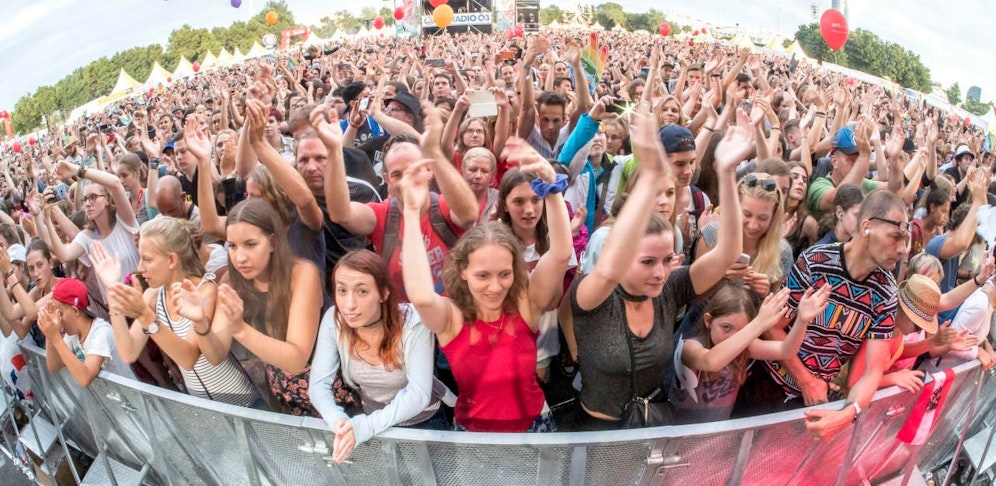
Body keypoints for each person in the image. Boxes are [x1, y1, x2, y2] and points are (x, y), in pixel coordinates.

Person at [570, 111, 752, 429]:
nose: (660, 273)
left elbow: (727, 254)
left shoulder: (670, 288)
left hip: (650, 422)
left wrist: (727, 171)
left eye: (667, 260)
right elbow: (608, 271)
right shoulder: (594, 295)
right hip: (598, 430)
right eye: (647, 262)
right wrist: (650, 178)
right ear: (623, 255)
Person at [401, 139, 573, 432]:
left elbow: (560, 253)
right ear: (463, 271)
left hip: (535, 430)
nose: (495, 287)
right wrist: (410, 211)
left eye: (504, 274)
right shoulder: (451, 317)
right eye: (483, 276)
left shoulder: (526, 302)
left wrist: (551, 186)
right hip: (474, 438)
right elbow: (419, 294)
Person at [738, 190, 909, 441]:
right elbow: (774, 325)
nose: (903, 249)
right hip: (768, 387)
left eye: (905, 239)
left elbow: (872, 370)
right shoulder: (816, 261)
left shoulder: (887, 291)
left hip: (815, 401)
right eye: (895, 236)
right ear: (867, 227)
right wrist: (807, 381)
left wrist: (849, 413)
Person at [89, 220, 260, 407]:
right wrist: (112, 290)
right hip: (206, 409)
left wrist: (147, 317)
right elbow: (128, 352)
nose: (140, 268)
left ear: (171, 260)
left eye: (147, 259)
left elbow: (188, 358)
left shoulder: (206, 290)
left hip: (242, 403)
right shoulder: (153, 295)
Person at [310, 250, 447, 464]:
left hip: (423, 423)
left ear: (383, 293)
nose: (349, 304)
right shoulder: (334, 320)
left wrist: (365, 426)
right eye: (342, 290)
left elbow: (418, 394)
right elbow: (318, 385)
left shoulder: (414, 323)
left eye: (362, 291)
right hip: (373, 424)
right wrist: (340, 423)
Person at [198, 199, 323, 415]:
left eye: (250, 244)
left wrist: (240, 330)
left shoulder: (302, 274)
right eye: (232, 246)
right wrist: (199, 322)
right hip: (281, 393)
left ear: (273, 242)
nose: (240, 257)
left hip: (326, 391)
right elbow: (216, 355)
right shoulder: (231, 282)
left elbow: (296, 359)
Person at [671, 284, 828, 423]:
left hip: (717, 435)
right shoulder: (690, 347)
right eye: (726, 327)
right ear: (708, 320)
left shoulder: (745, 347)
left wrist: (801, 321)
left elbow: (786, 351)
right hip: (681, 434)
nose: (733, 337)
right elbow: (711, 362)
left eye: (742, 331)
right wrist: (759, 324)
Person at [693, 172, 792, 295]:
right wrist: (719, 276)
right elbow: (692, 294)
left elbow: (779, 302)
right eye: (747, 214)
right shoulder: (712, 234)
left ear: (774, 217)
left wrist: (765, 294)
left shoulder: (782, 251)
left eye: (763, 218)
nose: (753, 225)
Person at [37, 278, 136, 386]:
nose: (58, 320)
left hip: (130, 395)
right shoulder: (74, 333)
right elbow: (54, 366)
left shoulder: (101, 332)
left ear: (75, 310)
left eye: (60, 313)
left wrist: (55, 337)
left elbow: (85, 378)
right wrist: (49, 333)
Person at [461, 147, 500, 224]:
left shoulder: (500, 199)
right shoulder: (450, 197)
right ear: (463, 171)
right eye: (473, 170)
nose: (478, 176)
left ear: (492, 175)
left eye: (485, 171)